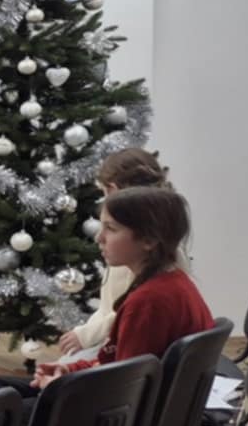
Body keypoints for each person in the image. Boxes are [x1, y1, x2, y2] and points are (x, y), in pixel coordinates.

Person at [32, 185, 211, 387]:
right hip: (133, 399)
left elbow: (125, 389)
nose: (99, 237)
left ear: (149, 240)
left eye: (111, 229)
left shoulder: (148, 302)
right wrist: (70, 370)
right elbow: (116, 364)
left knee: (8, 395)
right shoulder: (175, 281)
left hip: (111, 404)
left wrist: (58, 386)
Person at [57, 149, 171, 359]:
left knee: (65, 372)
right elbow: (111, 307)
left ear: (111, 189)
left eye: (110, 228)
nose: (99, 238)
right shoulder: (139, 241)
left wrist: (86, 336)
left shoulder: (142, 251)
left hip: (118, 343)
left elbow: (130, 311)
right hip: (110, 337)